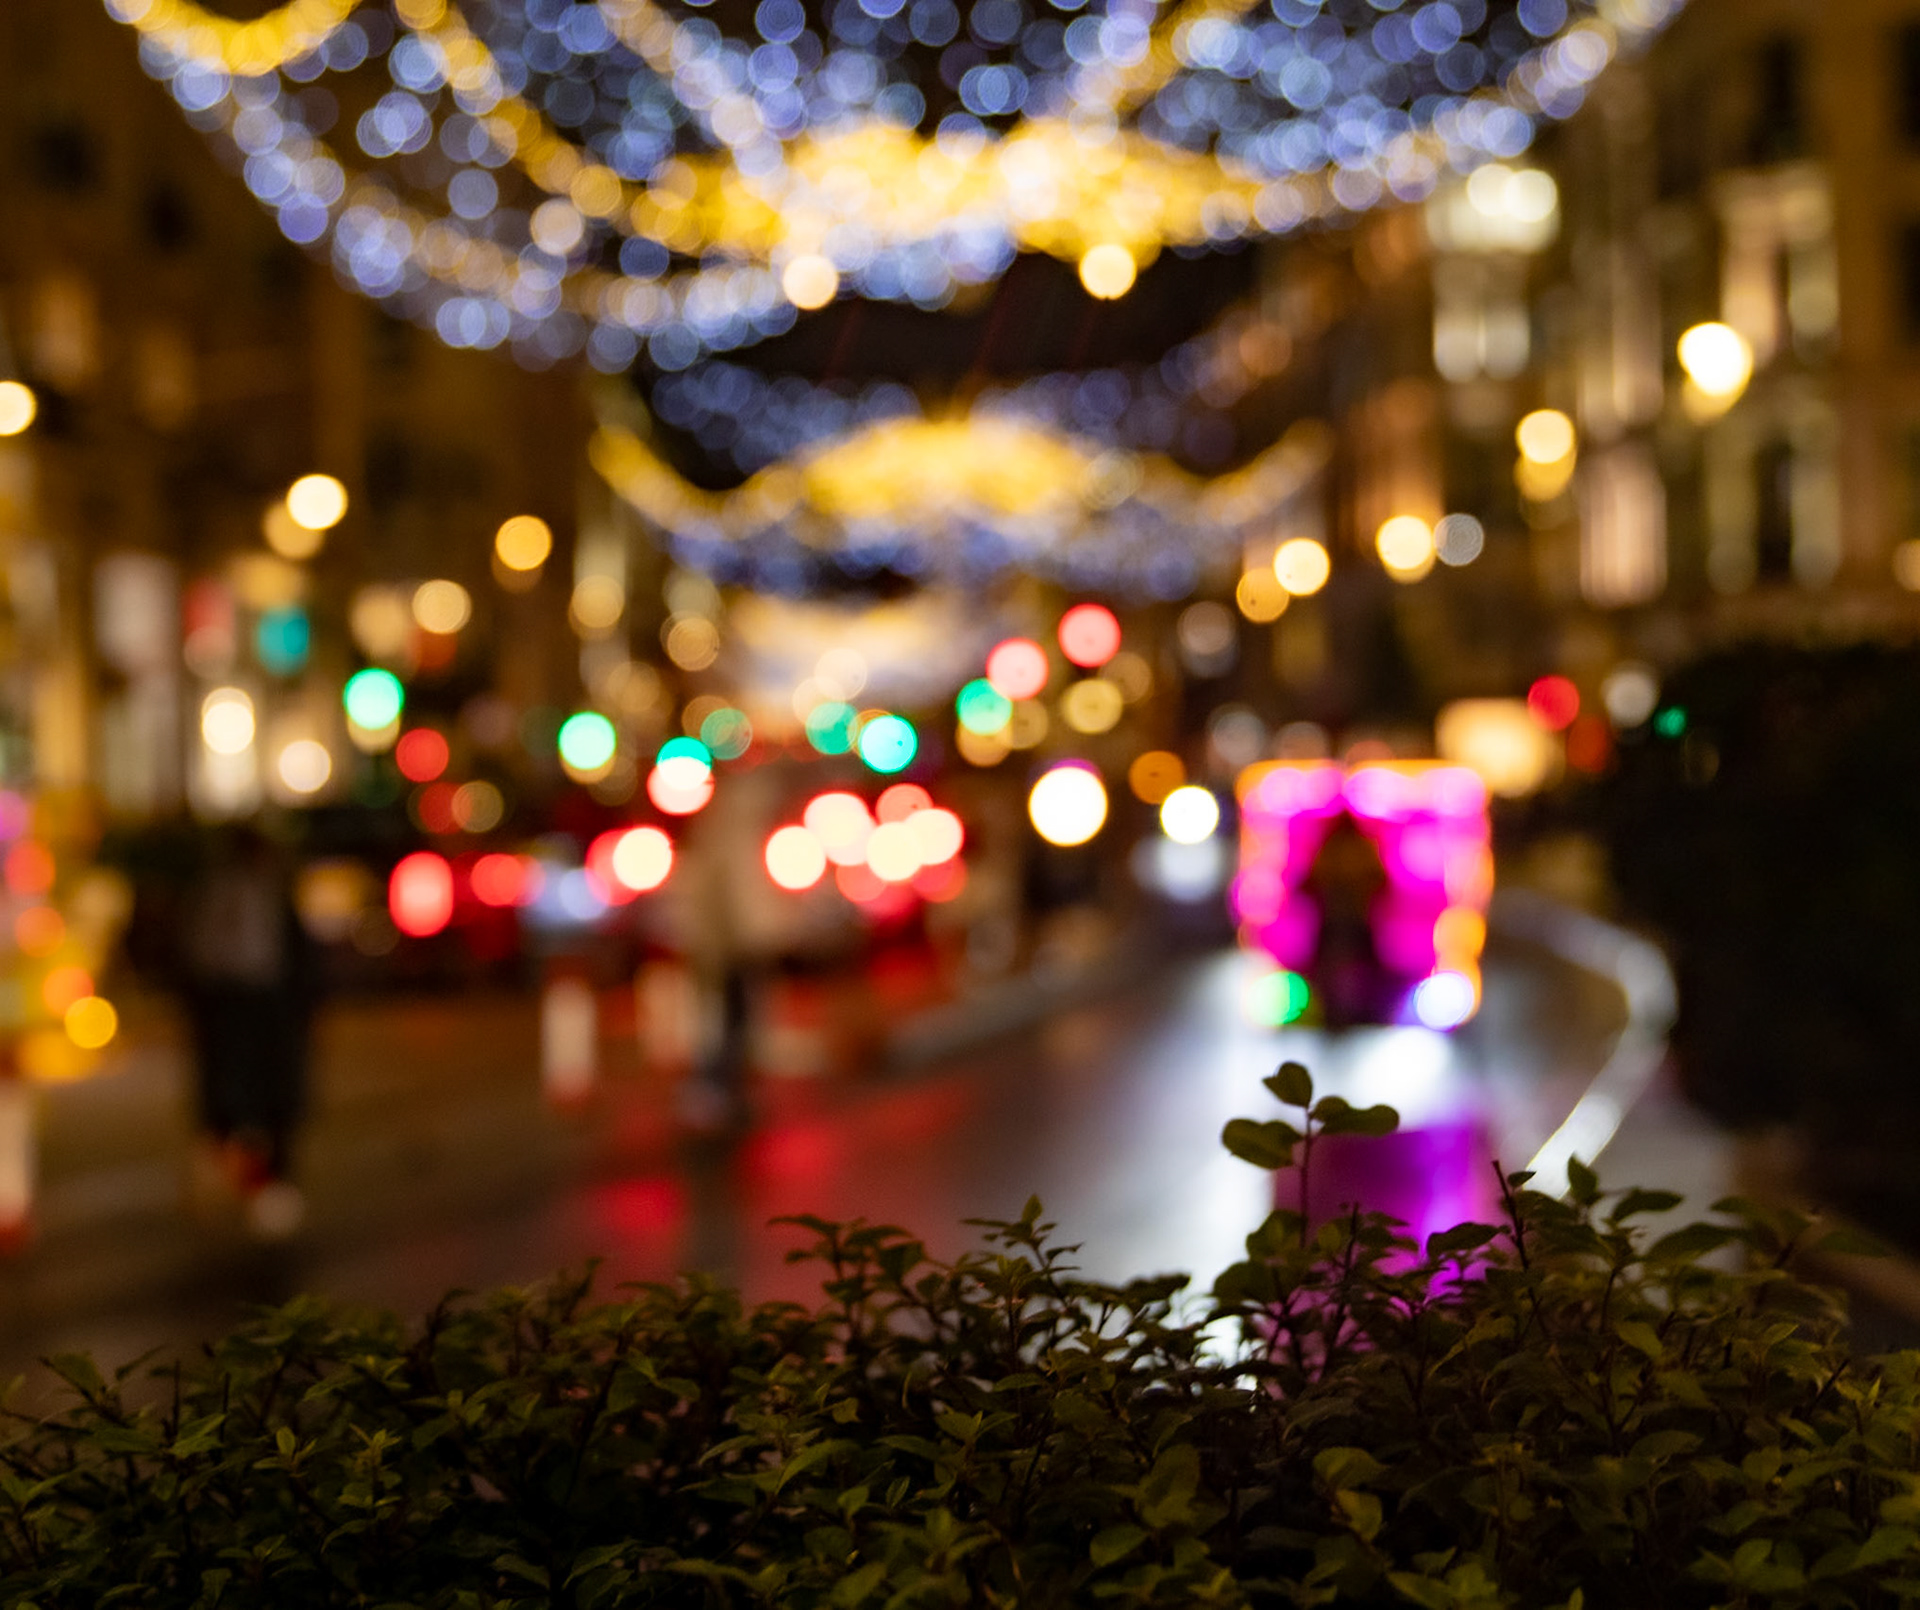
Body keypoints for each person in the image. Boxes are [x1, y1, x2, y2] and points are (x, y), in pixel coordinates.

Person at [176, 825, 315, 1237]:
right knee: (243, 1098)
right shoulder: (227, 893)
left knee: (266, 1098)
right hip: (234, 1005)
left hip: (259, 1005)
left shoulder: (261, 894)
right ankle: (250, 1183)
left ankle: (264, 1187)